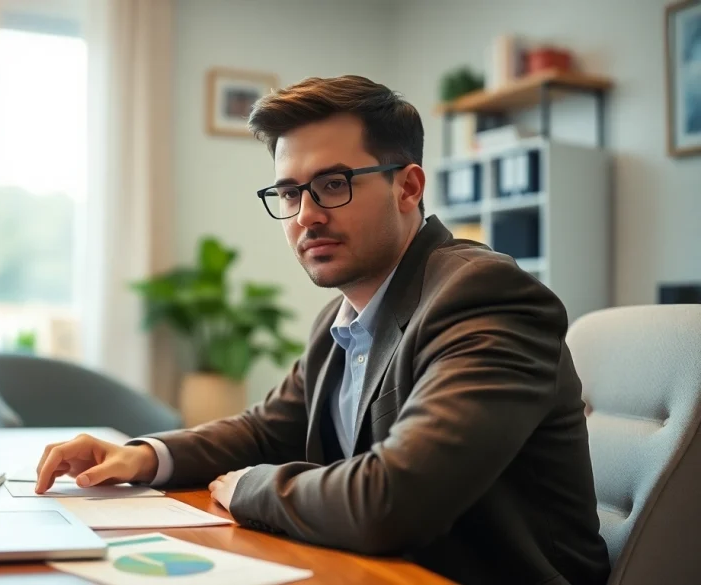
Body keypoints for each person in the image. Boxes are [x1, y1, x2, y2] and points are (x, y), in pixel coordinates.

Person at [34, 75, 611, 585]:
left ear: (407, 187)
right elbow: (264, 430)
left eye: (333, 183)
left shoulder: (483, 296)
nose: (306, 214)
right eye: (289, 192)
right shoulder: (341, 318)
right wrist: (143, 456)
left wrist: (251, 487)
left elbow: (393, 501)